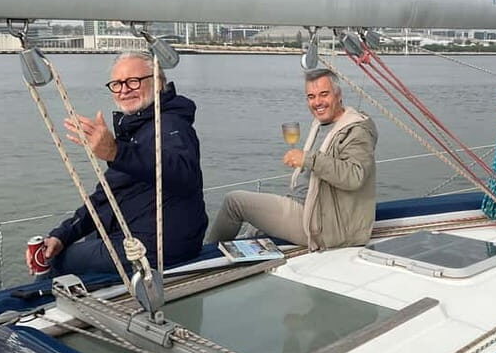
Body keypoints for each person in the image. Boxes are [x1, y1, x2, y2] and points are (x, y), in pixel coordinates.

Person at [27, 51, 208, 276]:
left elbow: (184, 174)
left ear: (158, 83)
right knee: (79, 241)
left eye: (133, 81)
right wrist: (62, 235)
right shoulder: (139, 127)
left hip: (159, 247)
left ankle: (37, 304)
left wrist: (116, 152)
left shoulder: (170, 125)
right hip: (139, 234)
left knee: (57, 262)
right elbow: (107, 197)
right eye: (117, 83)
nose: (123, 90)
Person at [205, 68, 377, 251]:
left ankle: (205, 258)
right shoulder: (322, 123)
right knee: (252, 228)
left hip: (326, 225)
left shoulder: (356, 131)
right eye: (311, 97)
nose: (317, 102)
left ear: (338, 95)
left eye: (323, 94)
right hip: (307, 206)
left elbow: (354, 176)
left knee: (234, 202)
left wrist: (308, 159)